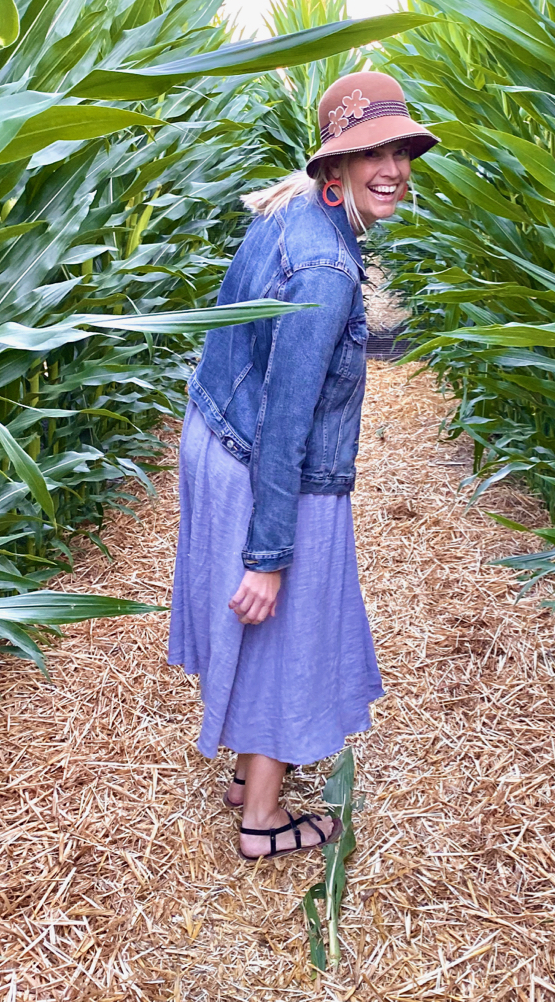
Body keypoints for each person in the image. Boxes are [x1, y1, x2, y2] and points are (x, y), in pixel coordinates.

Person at [167, 71, 438, 860]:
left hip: (219, 436)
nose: (391, 169)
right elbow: (288, 424)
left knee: (267, 635)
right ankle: (261, 823)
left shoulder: (293, 211)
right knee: (288, 628)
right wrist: (270, 554)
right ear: (336, 165)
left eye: (400, 150)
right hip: (263, 460)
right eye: (370, 154)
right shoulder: (325, 271)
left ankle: (253, 779)